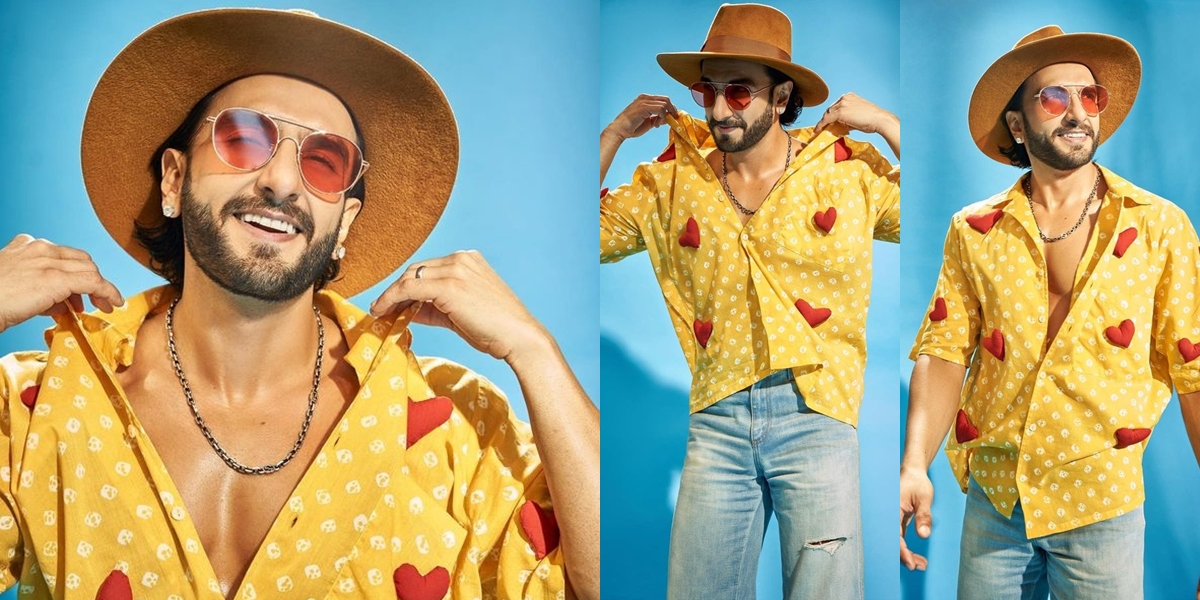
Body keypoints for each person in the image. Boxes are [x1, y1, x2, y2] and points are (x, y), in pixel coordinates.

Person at [0, 8, 599, 599]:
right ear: (174, 180)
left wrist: (534, 349)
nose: (283, 182)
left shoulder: (451, 423)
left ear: (345, 223)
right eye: (242, 138)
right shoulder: (39, 403)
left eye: (323, 161)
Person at [599, 4, 899, 598]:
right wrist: (609, 138)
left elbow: (964, 229)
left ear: (781, 95)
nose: (716, 108)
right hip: (718, 420)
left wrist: (890, 125)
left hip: (817, 415)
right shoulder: (668, 183)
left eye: (738, 91)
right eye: (705, 89)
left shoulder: (846, 172)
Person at [900, 25, 1200, 599]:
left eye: (1089, 97)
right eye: (1054, 97)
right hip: (996, 502)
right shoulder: (974, 230)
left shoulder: (1161, 228)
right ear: (1018, 125)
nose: (1077, 112)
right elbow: (943, 350)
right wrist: (915, 464)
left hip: (1100, 504)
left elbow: (1194, 376)